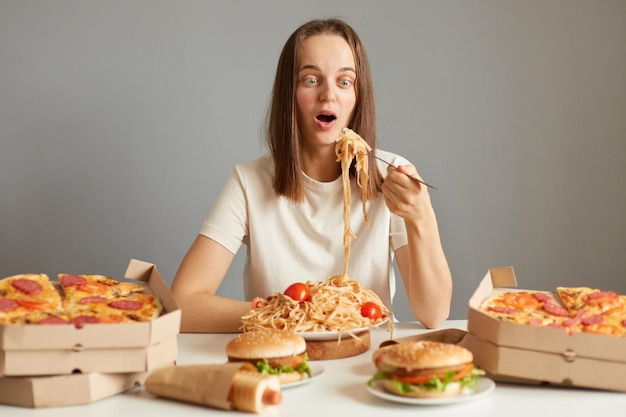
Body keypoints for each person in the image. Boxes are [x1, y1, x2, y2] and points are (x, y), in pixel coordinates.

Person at [170, 18, 452, 333]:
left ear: (358, 96)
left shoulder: (389, 175)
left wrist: (421, 216)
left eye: (344, 81)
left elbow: (434, 314)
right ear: (289, 93)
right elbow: (183, 302)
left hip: (367, 360)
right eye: (310, 79)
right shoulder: (248, 182)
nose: (328, 95)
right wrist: (285, 315)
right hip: (284, 358)